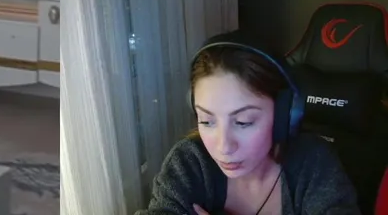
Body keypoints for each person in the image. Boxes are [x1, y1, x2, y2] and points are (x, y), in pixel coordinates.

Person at [136, 34, 358, 215]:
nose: (224, 147)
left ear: (284, 116)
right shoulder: (189, 162)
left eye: (243, 122)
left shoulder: (313, 162)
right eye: (207, 121)